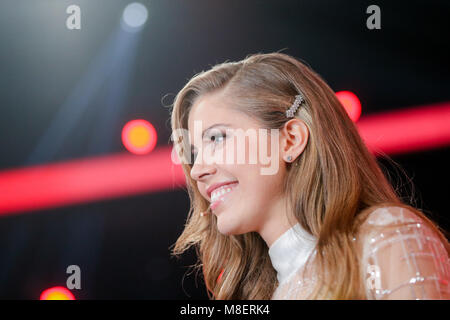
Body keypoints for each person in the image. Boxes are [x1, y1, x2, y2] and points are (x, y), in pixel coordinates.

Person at [168, 51, 450, 299]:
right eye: (195, 152)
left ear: (290, 139)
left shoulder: (384, 237)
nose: (198, 170)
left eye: (217, 138)